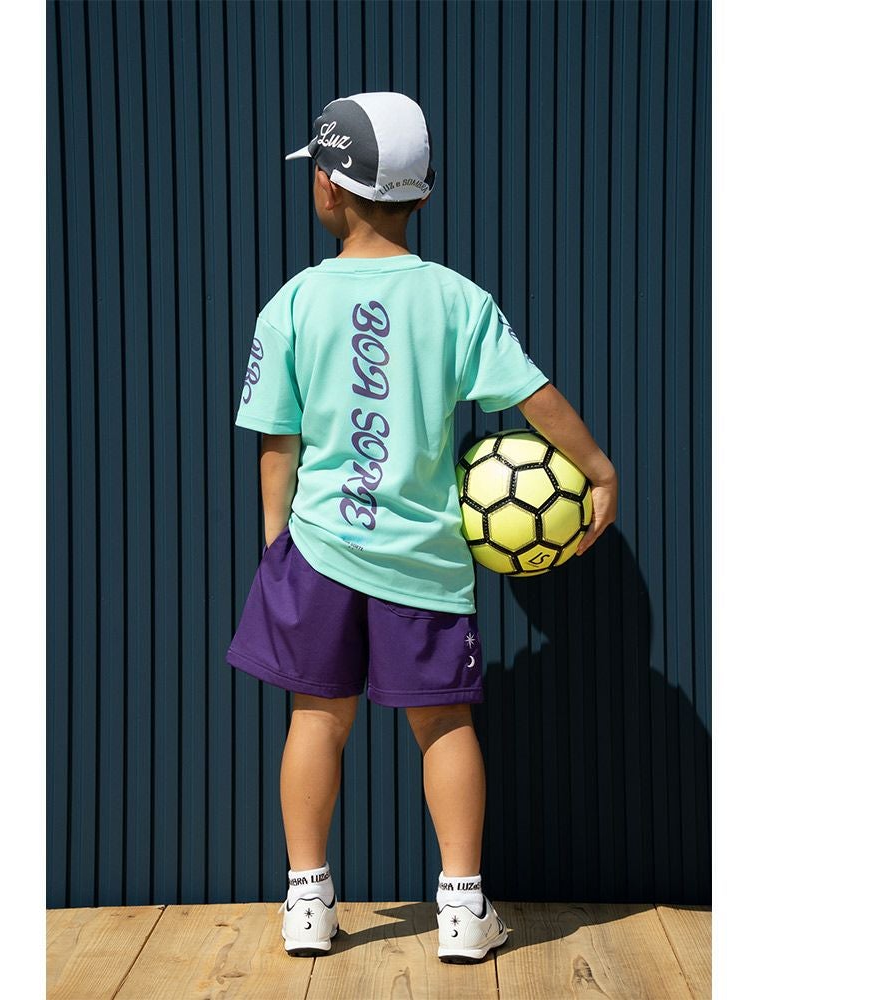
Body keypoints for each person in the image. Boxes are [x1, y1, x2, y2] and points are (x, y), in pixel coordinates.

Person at [226, 92, 617, 963]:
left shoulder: (292, 303)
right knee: (444, 726)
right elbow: (534, 397)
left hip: (318, 550)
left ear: (328, 187)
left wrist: (276, 544)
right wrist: (597, 468)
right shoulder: (457, 300)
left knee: (315, 720)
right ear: (423, 192)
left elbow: (277, 445)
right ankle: (463, 911)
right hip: (424, 559)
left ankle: (306, 903)